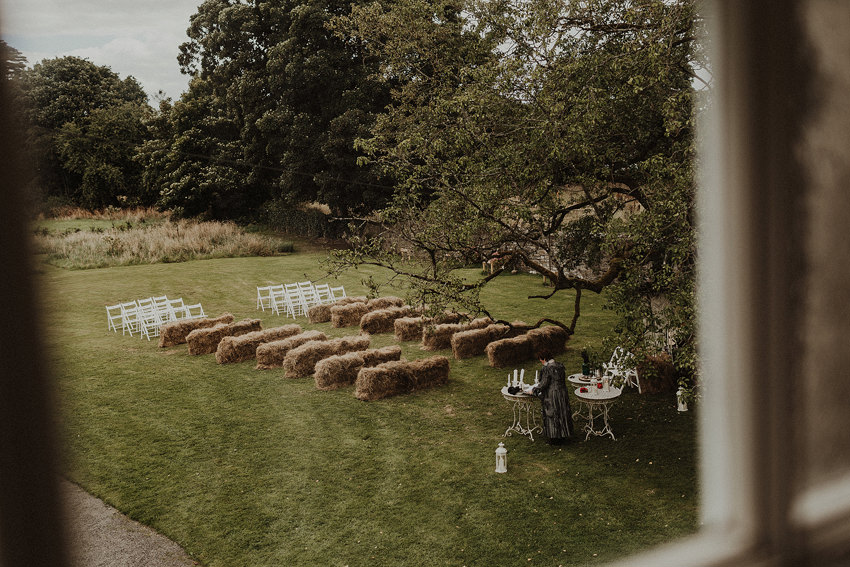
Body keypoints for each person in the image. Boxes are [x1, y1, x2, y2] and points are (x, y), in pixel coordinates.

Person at [531, 350, 574, 445]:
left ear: (544, 358)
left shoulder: (547, 368)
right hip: (562, 392)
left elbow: (544, 383)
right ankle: (563, 435)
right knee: (562, 413)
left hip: (552, 394)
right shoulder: (560, 365)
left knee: (552, 413)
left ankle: (554, 438)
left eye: (541, 360)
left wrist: (534, 390)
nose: (541, 362)